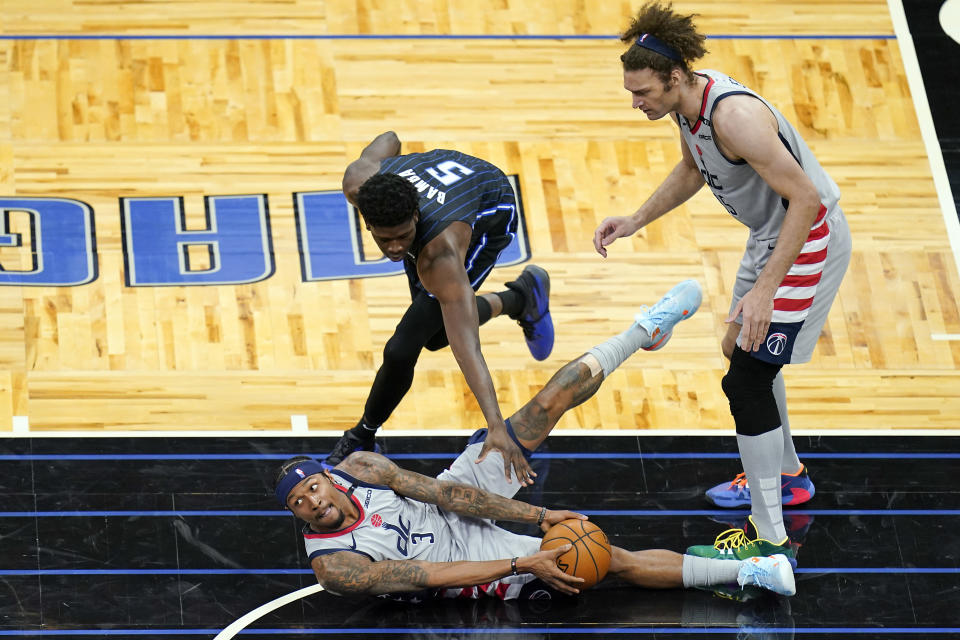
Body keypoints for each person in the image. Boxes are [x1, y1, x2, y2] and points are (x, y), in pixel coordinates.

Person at [274, 280, 795, 601]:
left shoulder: (363, 469)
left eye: (312, 488)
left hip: (451, 503)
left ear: (328, 477)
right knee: (607, 559)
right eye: (299, 504)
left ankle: (644, 330)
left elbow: (446, 495)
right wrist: (527, 558)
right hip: (467, 562)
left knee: (545, 405)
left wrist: (543, 516)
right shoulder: (334, 565)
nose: (312, 503)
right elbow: (431, 575)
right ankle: (754, 572)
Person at [592, 2, 852, 560]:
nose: (636, 103)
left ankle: (769, 536)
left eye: (643, 93)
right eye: (632, 92)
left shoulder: (734, 116)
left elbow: (806, 199)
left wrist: (764, 291)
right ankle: (788, 476)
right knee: (740, 348)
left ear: (678, 76)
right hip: (771, 233)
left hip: (809, 237)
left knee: (747, 381)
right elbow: (692, 168)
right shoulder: (686, 110)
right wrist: (636, 219)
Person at [327, 131, 555, 486]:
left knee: (404, 346)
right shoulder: (360, 183)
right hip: (443, 181)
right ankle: (519, 298)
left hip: (488, 210)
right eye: (385, 239)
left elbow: (468, 347)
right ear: (366, 220)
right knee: (433, 336)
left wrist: (496, 426)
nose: (395, 247)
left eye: (403, 236)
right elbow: (388, 138)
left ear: (415, 215)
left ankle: (361, 434)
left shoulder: (441, 255)